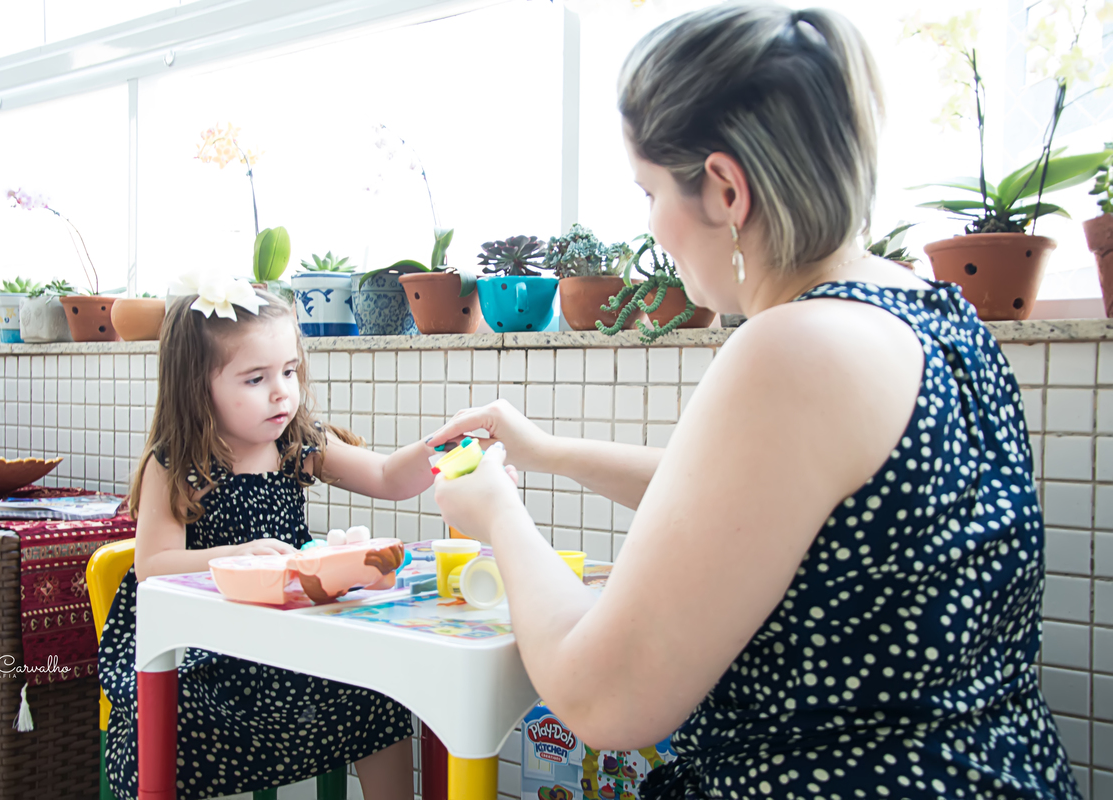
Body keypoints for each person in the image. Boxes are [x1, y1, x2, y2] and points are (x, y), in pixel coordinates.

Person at [431, 4, 1079, 798]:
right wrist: (546, 452)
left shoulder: (793, 348)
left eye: (647, 192)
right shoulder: (932, 314)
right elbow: (776, 503)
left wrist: (498, 510)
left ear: (726, 188)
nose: (653, 228)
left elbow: (606, 699)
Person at [100, 279, 435, 800]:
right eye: (256, 378)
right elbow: (153, 565)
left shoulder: (297, 443)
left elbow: (390, 476)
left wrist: (444, 449)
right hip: (206, 653)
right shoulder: (175, 463)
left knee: (381, 695)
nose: (282, 391)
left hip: (292, 645)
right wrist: (239, 555)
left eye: (289, 371)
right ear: (198, 387)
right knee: (171, 725)